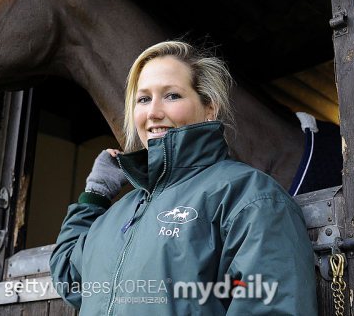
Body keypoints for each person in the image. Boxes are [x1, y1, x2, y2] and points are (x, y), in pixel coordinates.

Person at [50, 41, 318, 315]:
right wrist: (95, 193)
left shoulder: (248, 196)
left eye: (171, 95)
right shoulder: (119, 213)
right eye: (143, 99)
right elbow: (69, 277)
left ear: (210, 108)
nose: (153, 112)